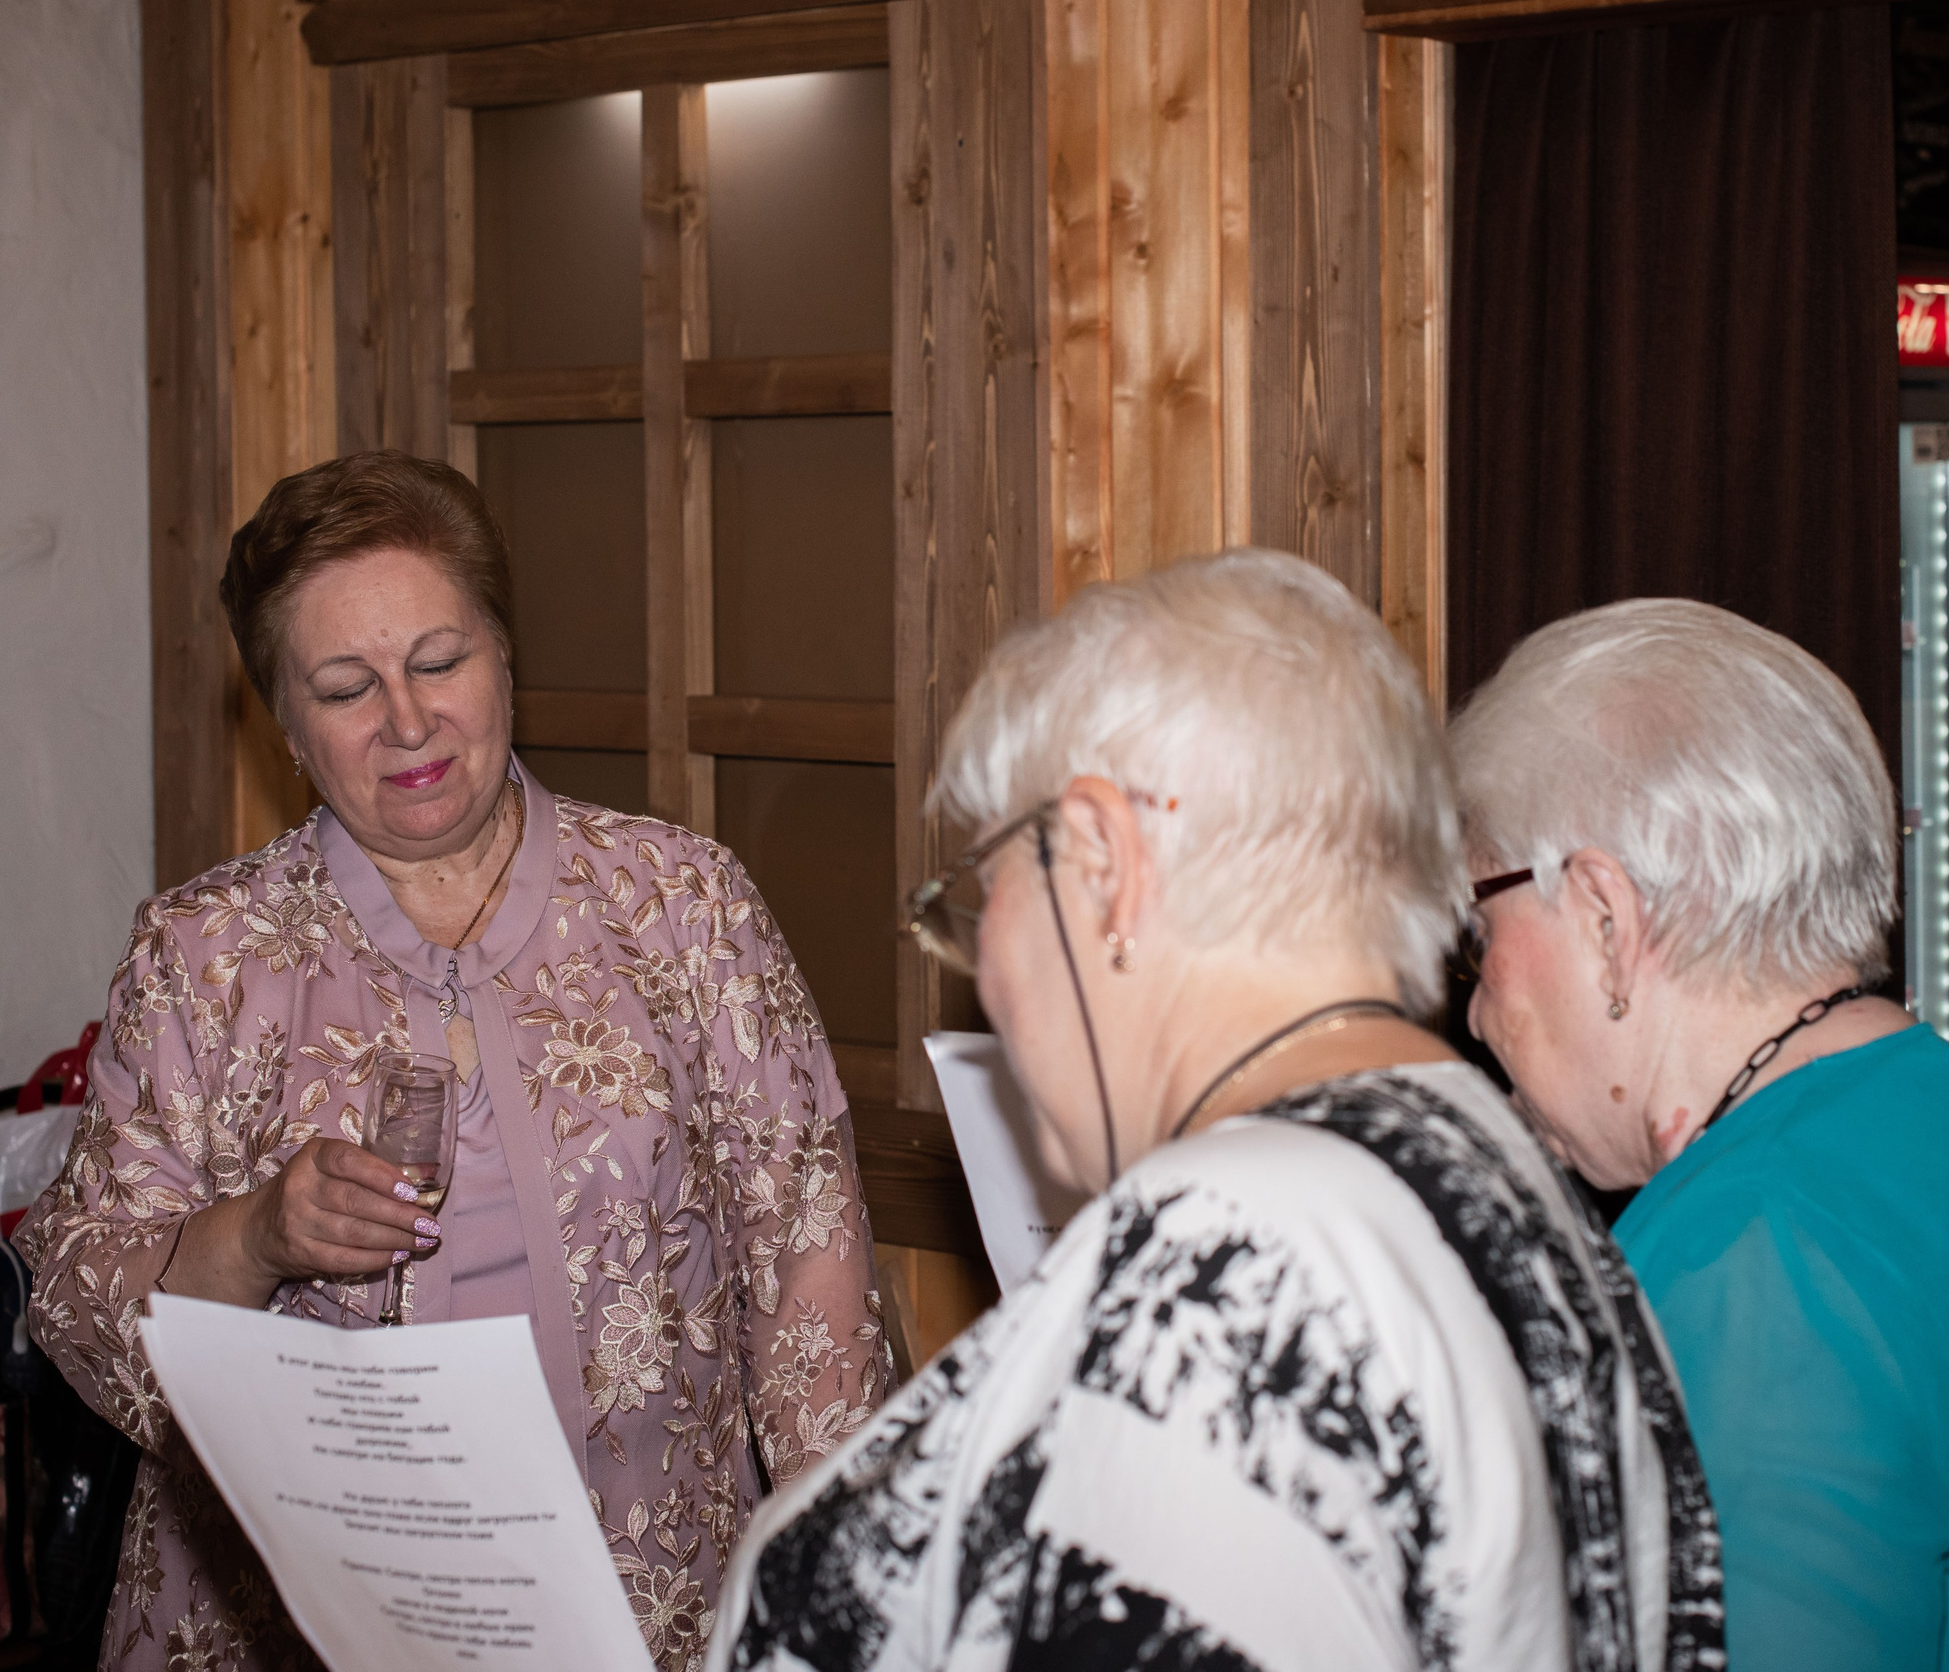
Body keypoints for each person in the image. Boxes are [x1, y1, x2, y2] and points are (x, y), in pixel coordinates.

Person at [706, 549, 1725, 1672]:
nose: (981, 966)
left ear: (1102, 861)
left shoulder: (1237, 1259)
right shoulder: (1510, 1184)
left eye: (988, 893)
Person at [16, 450, 886, 1672]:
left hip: (650, 1607)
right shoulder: (204, 955)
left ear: (506, 660)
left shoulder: (684, 904)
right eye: (346, 684)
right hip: (292, 1623)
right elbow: (77, 1296)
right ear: (285, 722)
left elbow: (810, 1267)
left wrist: (836, 1596)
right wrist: (259, 1233)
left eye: (439, 660)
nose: (409, 720)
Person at [1450, 598, 1949, 1672]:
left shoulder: (1748, 1266)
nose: (1474, 1005)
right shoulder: (1942, 1102)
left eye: (1481, 926)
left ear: (1606, 916)